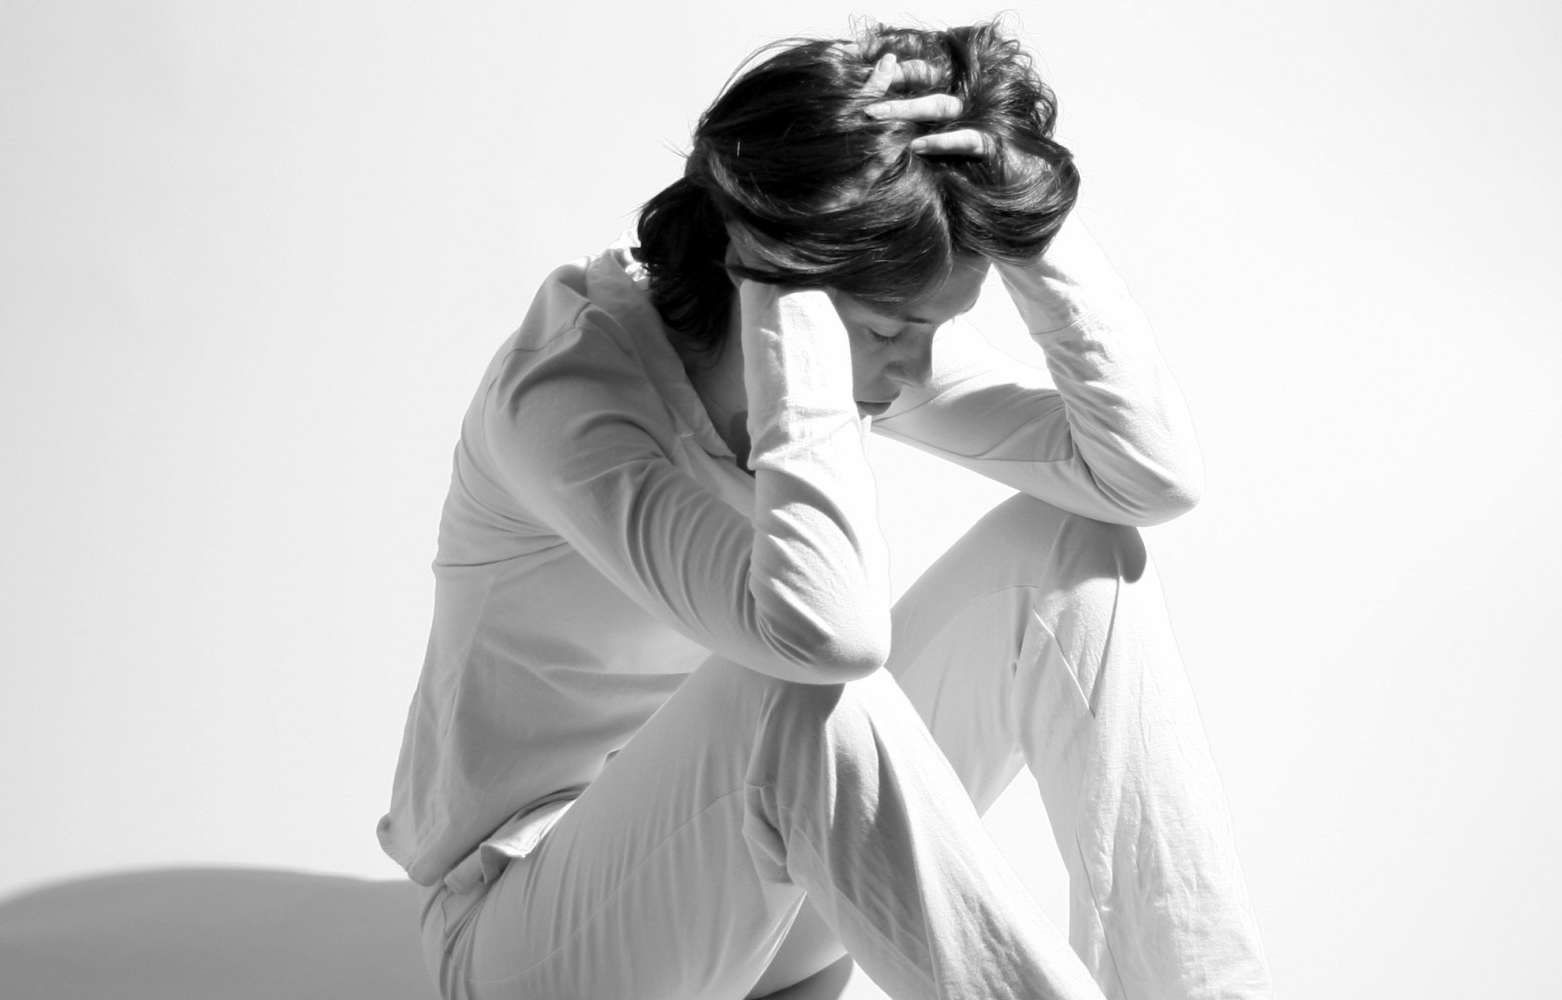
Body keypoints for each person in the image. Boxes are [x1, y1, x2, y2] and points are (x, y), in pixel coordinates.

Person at [378, 19, 1273, 1000]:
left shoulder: (865, 342)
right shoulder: (564, 399)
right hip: (530, 935)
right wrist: (792, 284)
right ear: (770, 285)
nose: (914, 367)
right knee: (794, 689)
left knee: (1074, 550)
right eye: (889, 329)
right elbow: (820, 638)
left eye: (930, 327)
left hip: (774, 888)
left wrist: (1030, 227)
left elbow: (1142, 475)